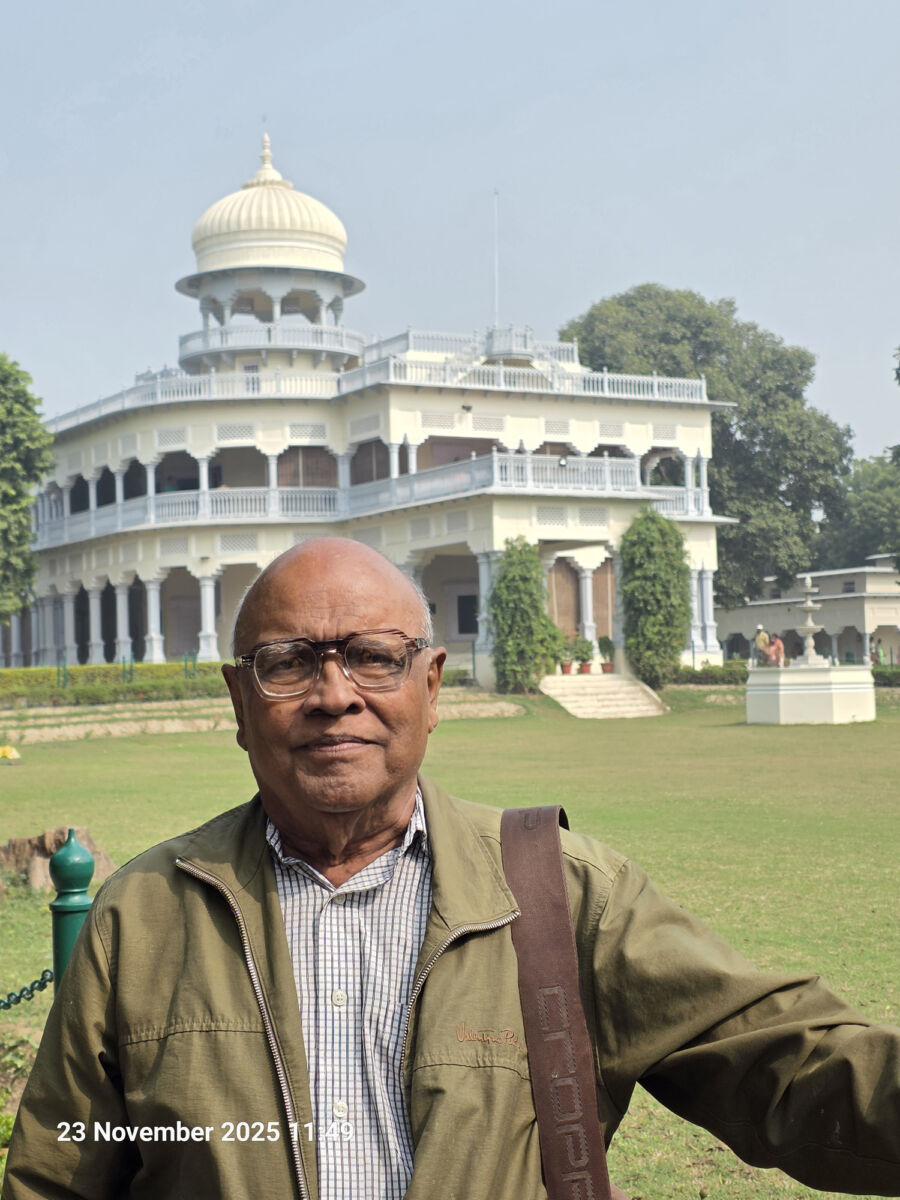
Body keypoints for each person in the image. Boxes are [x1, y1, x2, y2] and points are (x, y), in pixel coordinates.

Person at [4, 538, 900, 1200]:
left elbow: (787, 1064)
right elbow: (59, 1169)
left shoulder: (557, 894)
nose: (335, 695)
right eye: (288, 664)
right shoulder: (148, 915)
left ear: (431, 688)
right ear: (240, 702)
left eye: (374, 658)